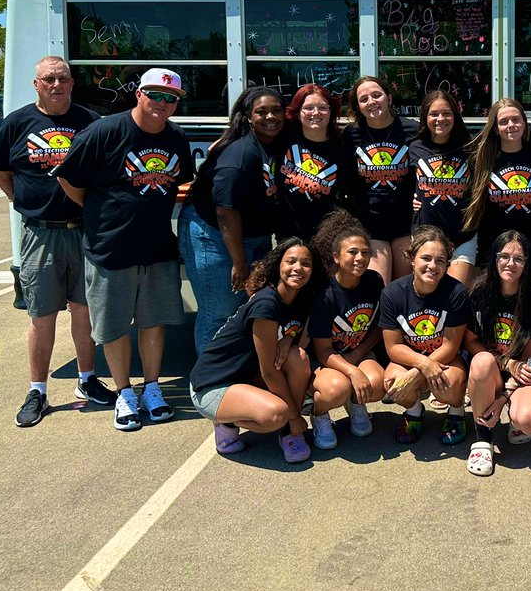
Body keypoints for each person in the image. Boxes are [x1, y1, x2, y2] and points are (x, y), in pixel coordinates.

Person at [56, 68, 195, 432]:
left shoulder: (176, 137)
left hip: (157, 247)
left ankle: (152, 389)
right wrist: (97, 210)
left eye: (170, 98)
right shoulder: (104, 131)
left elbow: (180, 182)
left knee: (153, 322)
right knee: (115, 326)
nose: (162, 103)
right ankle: (124, 393)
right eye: (155, 94)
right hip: (110, 248)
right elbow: (68, 177)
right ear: (139, 94)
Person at [0, 55, 114, 427]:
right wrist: (26, 203)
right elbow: (1, 172)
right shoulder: (17, 123)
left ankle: (87, 380)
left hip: (84, 231)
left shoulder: (90, 123)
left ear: (72, 83)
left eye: (63, 78)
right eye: (49, 79)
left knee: (84, 310)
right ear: (36, 84)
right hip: (40, 234)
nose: (56, 85)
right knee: (42, 316)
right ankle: (38, 391)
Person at [188, 238, 317, 463]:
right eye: (291, 261)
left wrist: (289, 339)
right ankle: (228, 422)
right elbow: (269, 372)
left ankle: (289, 434)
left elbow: (298, 336)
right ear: (278, 265)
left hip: (244, 376)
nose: (298, 268)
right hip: (213, 384)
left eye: (306, 263)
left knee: (298, 358)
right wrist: (294, 416)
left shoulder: (301, 298)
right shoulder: (266, 303)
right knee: (276, 414)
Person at [178, 86, 284, 353]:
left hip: (254, 236)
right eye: (262, 112)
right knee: (219, 311)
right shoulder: (240, 155)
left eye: (276, 110)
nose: (270, 117)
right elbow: (225, 212)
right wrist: (239, 262)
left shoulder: (274, 143)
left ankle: (236, 370)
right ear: (248, 117)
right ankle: (209, 375)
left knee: (247, 308)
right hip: (214, 235)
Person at [462, 231, 531, 476]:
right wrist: (506, 362)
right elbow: (470, 342)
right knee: (481, 361)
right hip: (490, 369)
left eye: (519, 259)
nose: (510, 264)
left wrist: (502, 399)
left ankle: (514, 416)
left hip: (524, 371)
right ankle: (483, 438)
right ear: (494, 258)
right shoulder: (478, 292)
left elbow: (529, 357)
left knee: (529, 421)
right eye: (504, 256)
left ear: (527, 264)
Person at [377, 225, 471, 446]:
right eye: (426, 258)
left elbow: (450, 346)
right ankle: (414, 412)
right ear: (412, 259)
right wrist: (422, 365)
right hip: (411, 357)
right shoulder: (391, 294)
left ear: (447, 264)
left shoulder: (456, 292)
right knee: (392, 381)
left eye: (440, 260)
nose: (433, 266)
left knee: (452, 382)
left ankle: (456, 412)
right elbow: (393, 347)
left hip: (445, 358)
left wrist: (418, 373)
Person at [306, 210, 387, 449]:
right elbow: (322, 351)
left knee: (377, 385)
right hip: (325, 359)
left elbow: (378, 326)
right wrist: (352, 371)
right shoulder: (324, 294)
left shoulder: (374, 281)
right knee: (336, 390)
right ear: (336, 257)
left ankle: (356, 403)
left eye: (365, 252)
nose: (360, 258)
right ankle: (319, 414)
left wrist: (356, 356)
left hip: (357, 352)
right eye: (352, 252)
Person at [343, 76, 418, 284]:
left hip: (405, 221)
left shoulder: (412, 129)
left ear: (389, 98)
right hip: (371, 223)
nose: (372, 102)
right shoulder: (352, 134)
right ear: (358, 106)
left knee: (404, 286)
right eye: (364, 99)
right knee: (379, 285)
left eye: (377, 95)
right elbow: (346, 177)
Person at [463, 98, 531, 270]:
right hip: (493, 241)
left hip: (530, 239)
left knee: (525, 287)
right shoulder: (483, 159)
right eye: (504, 122)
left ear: (524, 123)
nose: (511, 125)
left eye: (516, 119)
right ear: (495, 128)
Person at [409, 90, 475, 285]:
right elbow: (403, 185)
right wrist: (411, 199)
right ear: (425, 117)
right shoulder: (415, 148)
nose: (440, 119)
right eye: (434, 114)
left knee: (455, 294)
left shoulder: (471, 147)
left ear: (455, 115)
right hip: (424, 235)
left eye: (446, 113)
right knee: (428, 292)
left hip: (462, 235)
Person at [277, 84, 353, 242]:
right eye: (308, 108)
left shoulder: (342, 150)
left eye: (322, 107)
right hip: (287, 237)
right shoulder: (283, 139)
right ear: (298, 113)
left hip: (324, 238)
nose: (316, 112)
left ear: (331, 112)